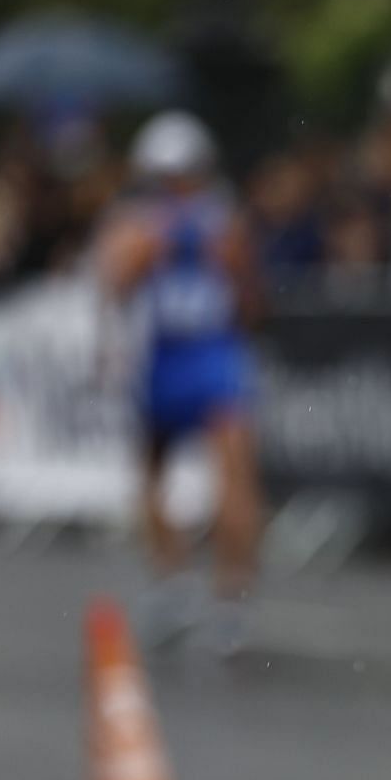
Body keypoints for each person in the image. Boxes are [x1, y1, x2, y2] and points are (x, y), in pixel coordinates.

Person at [98, 112, 261, 654]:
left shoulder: (163, 221)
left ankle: (223, 596)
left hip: (198, 355)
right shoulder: (211, 219)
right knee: (159, 475)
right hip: (184, 356)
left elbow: (115, 284)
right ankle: (188, 587)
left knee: (229, 478)